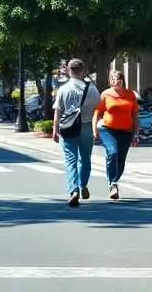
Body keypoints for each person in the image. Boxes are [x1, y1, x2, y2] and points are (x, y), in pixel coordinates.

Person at [53, 58, 100, 207]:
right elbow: (98, 106)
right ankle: (83, 184)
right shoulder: (91, 89)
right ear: (83, 71)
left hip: (67, 127)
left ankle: (73, 190)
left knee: (71, 160)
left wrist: (55, 129)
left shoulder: (63, 89)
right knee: (85, 159)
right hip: (86, 127)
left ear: (69, 72)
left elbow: (57, 111)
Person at [92, 69, 139, 200]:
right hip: (108, 129)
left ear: (122, 81)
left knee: (121, 159)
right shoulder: (105, 94)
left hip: (126, 131)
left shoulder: (130, 95)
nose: (114, 82)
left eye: (117, 79)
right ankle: (112, 184)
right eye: (112, 79)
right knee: (112, 153)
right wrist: (94, 129)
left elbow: (134, 114)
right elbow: (97, 113)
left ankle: (115, 179)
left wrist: (136, 133)